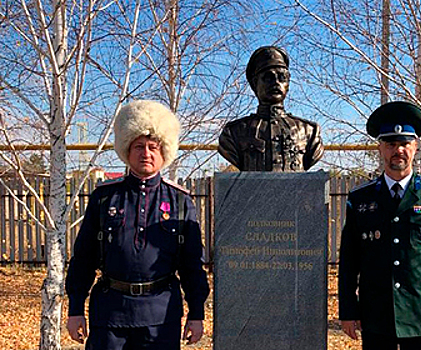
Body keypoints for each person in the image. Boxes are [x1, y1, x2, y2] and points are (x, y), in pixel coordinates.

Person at [65, 100, 209, 350]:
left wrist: (196, 313)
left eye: (153, 147)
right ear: (126, 150)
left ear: (164, 152)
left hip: (160, 317)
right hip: (110, 314)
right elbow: (83, 258)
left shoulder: (180, 201)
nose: (146, 153)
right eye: (139, 146)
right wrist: (75, 309)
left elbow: (191, 264)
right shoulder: (104, 197)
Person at [338, 101, 421, 350]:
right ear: (380, 148)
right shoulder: (361, 198)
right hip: (376, 314)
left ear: (415, 147)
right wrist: (348, 310)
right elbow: (350, 260)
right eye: (391, 144)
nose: (398, 151)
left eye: (404, 143)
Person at [218, 45, 324, 171]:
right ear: (254, 84)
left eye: (282, 77)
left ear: (288, 84)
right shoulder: (234, 132)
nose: (276, 82)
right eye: (268, 77)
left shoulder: (309, 131)